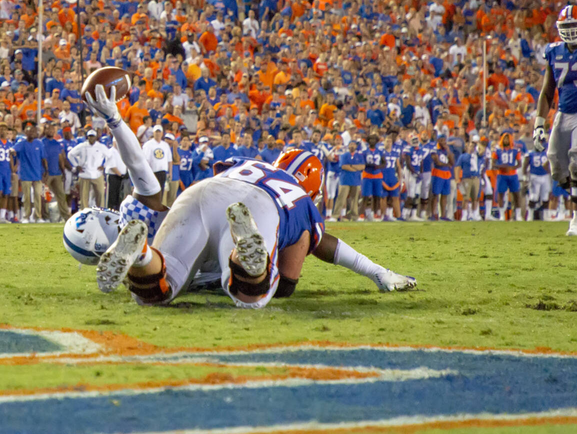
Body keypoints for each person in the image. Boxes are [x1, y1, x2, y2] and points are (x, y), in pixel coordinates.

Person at [85, 83, 415, 306]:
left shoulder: (248, 163)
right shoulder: (300, 201)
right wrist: (376, 271)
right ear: (312, 190)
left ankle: (142, 254)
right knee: (253, 296)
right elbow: (291, 281)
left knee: (155, 293)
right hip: (260, 208)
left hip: (202, 193)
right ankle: (244, 254)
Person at [535, 4, 577, 236]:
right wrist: (539, 124)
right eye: (567, 26)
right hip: (562, 113)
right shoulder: (553, 51)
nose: (571, 31)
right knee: (556, 169)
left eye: (575, 25)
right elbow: (547, 91)